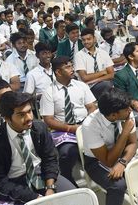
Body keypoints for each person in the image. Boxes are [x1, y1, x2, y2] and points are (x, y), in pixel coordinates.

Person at [0, 91, 75, 203]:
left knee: (76, 198)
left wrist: (50, 188)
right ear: (6, 118)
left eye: (30, 111)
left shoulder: (39, 128)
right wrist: (34, 198)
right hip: (12, 182)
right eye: (21, 115)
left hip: (41, 174)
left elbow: (50, 158)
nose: (29, 117)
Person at [40, 56, 96, 186]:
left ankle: (97, 170)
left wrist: (87, 123)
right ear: (58, 72)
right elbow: (48, 120)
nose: (72, 69)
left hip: (84, 124)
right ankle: (69, 181)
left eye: (72, 66)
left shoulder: (81, 85)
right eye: (68, 67)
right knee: (66, 153)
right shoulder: (49, 92)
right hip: (64, 129)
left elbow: (91, 107)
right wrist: (71, 128)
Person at [82, 89, 137, 205]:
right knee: (118, 186)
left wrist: (122, 162)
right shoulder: (90, 125)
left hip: (121, 154)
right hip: (96, 161)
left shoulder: (126, 112)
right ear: (113, 115)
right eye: (127, 110)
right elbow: (108, 161)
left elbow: (133, 143)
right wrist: (125, 132)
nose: (130, 111)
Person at [114, 42, 138, 126]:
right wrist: (132, 102)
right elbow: (121, 97)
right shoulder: (120, 75)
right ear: (131, 56)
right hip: (131, 108)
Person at [74, 28, 114, 99]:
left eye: (89, 39)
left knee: (112, 83)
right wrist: (103, 72)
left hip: (99, 83)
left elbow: (111, 75)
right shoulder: (79, 55)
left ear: (94, 39)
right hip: (87, 87)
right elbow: (85, 78)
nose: (86, 42)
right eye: (83, 40)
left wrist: (95, 80)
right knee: (107, 85)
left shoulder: (103, 53)